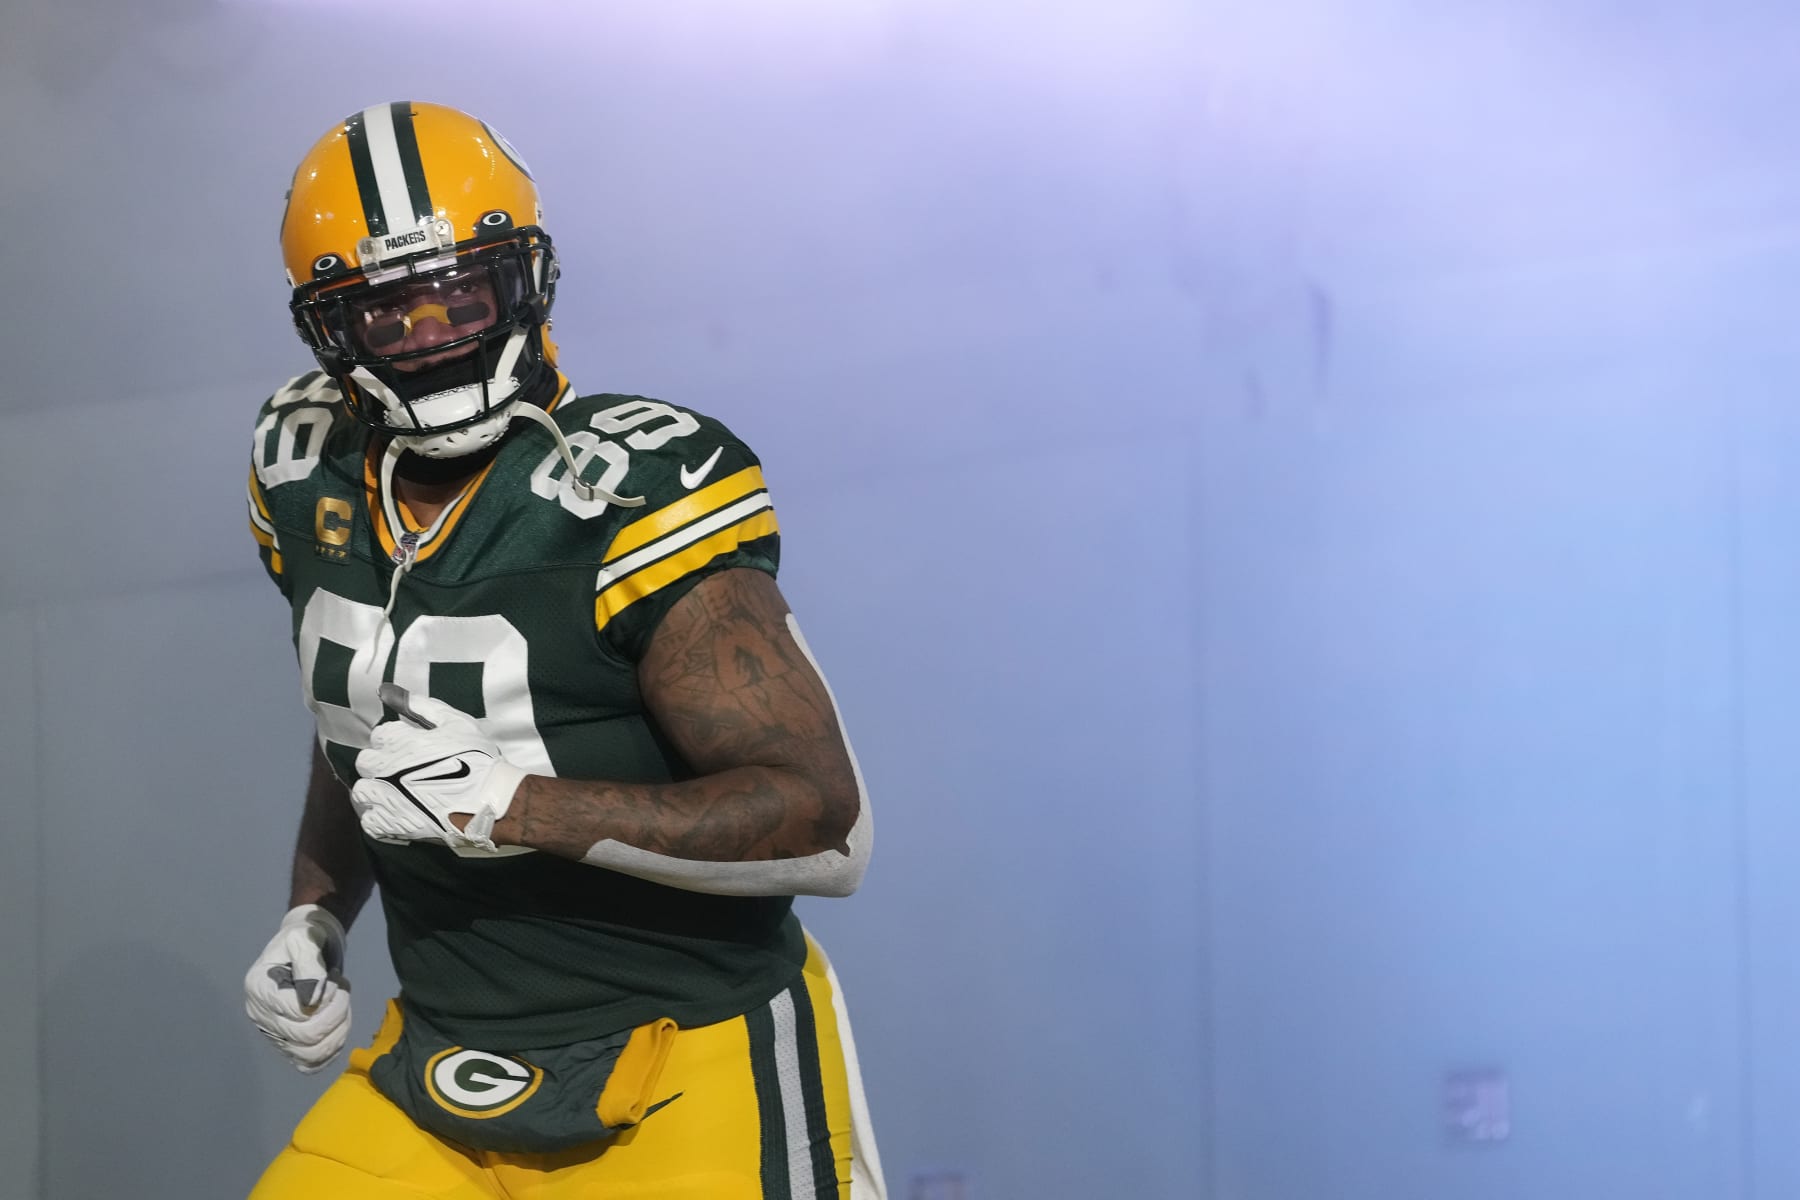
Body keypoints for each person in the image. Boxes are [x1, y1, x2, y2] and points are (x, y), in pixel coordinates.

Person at [241, 100, 884, 1199]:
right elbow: (359, 716)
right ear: (330, 329)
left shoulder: (634, 490)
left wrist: (521, 806)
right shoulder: (305, 466)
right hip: (439, 1057)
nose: (435, 335)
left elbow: (827, 825)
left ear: (524, 279)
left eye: (462, 295)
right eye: (389, 314)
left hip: (685, 1052)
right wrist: (316, 910)